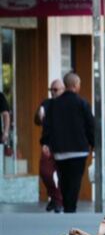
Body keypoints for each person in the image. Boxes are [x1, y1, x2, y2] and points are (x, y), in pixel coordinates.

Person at [41, 73, 94, 213]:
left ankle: (66, 205)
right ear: (76, 85)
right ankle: (71, 208)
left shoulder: (53, 105)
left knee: (63, 179)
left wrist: (45, 142)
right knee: (75, 181)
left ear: (65, 86)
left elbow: (48, 125)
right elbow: (91, 125)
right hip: (79, 150)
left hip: (60, 150)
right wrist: (93, 144)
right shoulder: (82, 103)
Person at [38, 78, 65, 211]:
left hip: (64, 145)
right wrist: (39, 114)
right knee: (45, 172)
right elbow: (38, 120)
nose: (53, 93)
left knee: (62, 175)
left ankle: (58, 201)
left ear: (63, 90)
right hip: (48, 144)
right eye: (51, 90)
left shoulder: (67, 104)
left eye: (55, 90)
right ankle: (54, 197)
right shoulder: (47, 103)